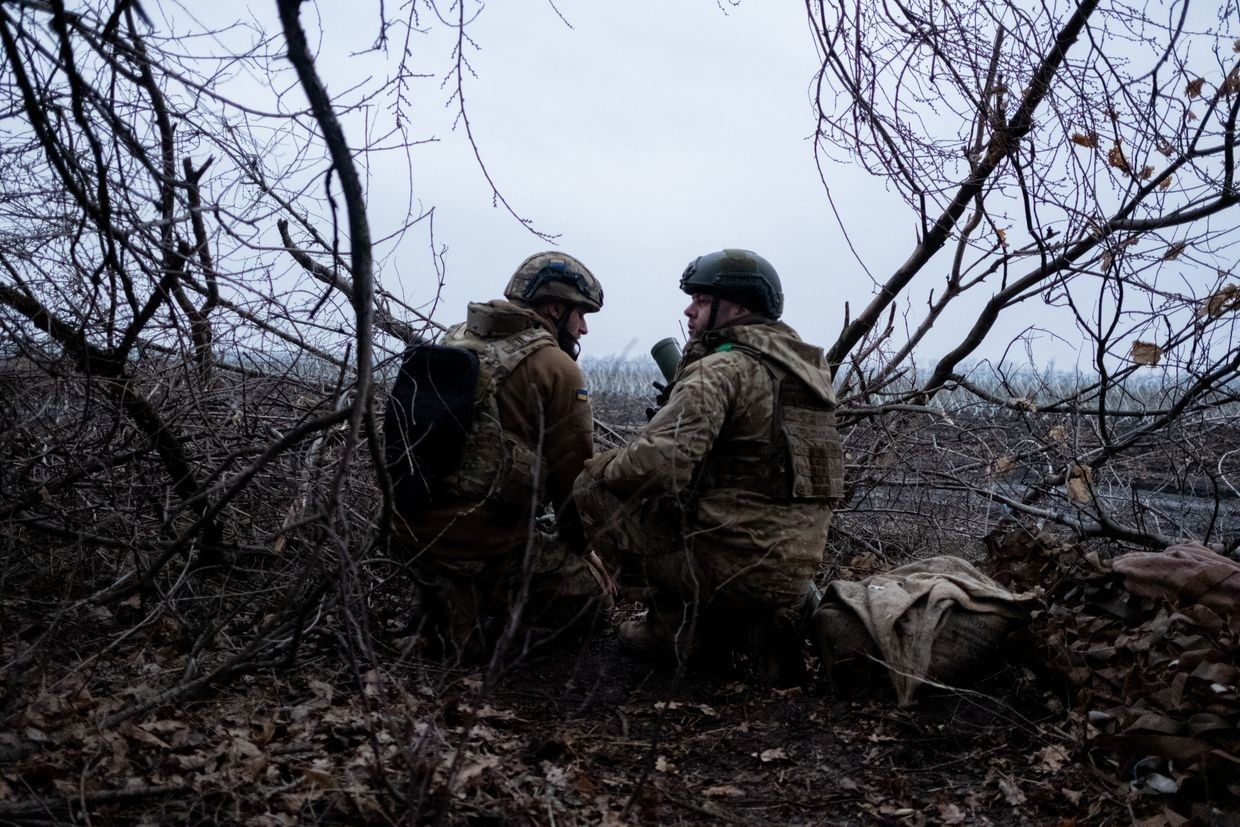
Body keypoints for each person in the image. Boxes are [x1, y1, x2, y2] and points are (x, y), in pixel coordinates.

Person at [573, 249, 844, 683]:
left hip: (730, 566)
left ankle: (675, 629)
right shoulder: (809, 374)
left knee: (593, 483)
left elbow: (652, 468)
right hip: (794, 571)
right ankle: (762, 622)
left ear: (738, 307)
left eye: (701, 300)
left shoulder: (721, 370)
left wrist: (610, 466)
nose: (689, 310)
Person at [387, 252, 614, 661]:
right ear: (555, 308)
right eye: (580, 314)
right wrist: (585, 552)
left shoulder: (454, 339)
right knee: (596, 597)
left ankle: (450, 604)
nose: (583, 327)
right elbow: (573, 489)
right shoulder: (557, 367)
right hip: (482, 546)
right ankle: (478, 628)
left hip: (408, 534)